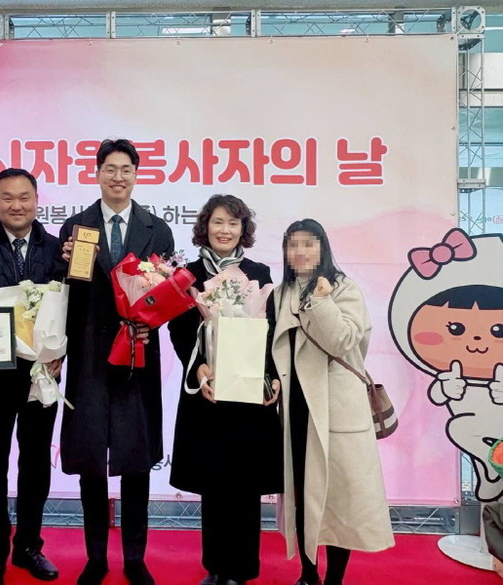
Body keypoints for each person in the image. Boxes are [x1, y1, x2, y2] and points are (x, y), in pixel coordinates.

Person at [59, 139, 174, 585]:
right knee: (91, 460)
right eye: (110, 169)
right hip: (89, 356)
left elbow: (166, 296)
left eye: (126, 169)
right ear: (97, 174)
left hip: (136, 355)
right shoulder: (77, 227)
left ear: (136, 175)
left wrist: (150, 324)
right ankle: (95, 558)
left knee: (136, 460)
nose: (118, 177)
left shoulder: (156, 230)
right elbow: (67, 295)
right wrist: (65, 264)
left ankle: (134, 558)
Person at [269, 219, 394, 585]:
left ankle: (334, 579)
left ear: (322, 248)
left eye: (309, 243)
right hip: (295, 406)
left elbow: (342, 341)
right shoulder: (280, 293)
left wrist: (322, 301)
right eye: (293, 244)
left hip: (335, 407)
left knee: (339, 498)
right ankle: (308, 574)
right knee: (302, 496)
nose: (300, 252)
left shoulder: (343, 288)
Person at [167, 195, 283, 585]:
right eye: (218, 222)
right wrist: (199, 368)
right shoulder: (188, 274)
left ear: (243, 230)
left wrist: (271, 376)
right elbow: (179, 329)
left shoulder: (259, 272)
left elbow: (270, 330)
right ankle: (216, 568)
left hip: (249, 391)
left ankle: (242, 570)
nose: (225, 230)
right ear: (205, 226)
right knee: (213, 482)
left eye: (233, 223)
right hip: (210, 390)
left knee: (246, 485)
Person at [0, 168, 64, 585]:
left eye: (24, 197)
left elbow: (68, 304)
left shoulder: (56, 247)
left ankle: (29, 547)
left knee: (36, 464)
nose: (16, 205)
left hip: (42, 371)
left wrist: (58, 353)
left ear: (37, 200)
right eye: (7, 197)